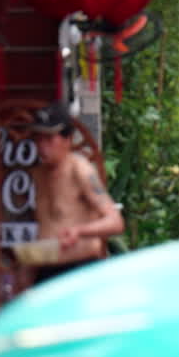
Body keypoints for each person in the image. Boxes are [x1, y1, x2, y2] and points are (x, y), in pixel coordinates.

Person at [27, 101, 125, 285]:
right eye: (38, 139)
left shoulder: (80, 170)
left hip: (79, 270)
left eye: (49, 139)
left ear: (67, 139)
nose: (42, 146)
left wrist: (79, 231)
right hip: (46, 269)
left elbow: (115, 222)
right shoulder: (38, 174)